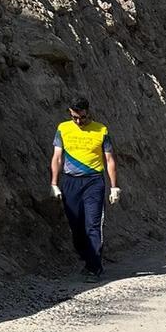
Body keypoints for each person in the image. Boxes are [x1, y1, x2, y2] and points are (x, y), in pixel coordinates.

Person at [49, 97, 120, 283]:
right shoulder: (63, 129)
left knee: (92, 225)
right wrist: (54, 183)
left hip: (93, 182)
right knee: (76, 225)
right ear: (70, 113)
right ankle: (85, 256)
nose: (79, 121)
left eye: (83, 117)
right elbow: (57, 157)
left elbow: (109, 159)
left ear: (89, 112)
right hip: (70, 182)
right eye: (75, 117)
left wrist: (114, 187)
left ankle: (94, 266)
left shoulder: (101, 130)